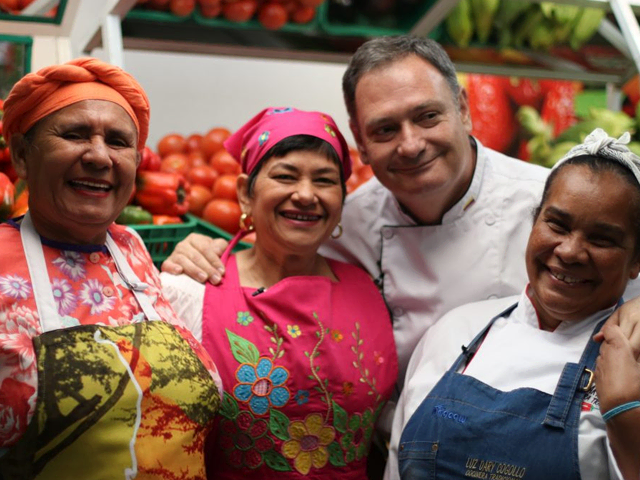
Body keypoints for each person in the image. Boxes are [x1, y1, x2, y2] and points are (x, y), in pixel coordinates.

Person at [0, 58, 222, 479]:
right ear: (22, 155)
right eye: (74, 134)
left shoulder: (134, 249)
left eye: (118, 141)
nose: (100, 156)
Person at [160, 107, 398, 479]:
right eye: (285, 176)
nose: (305, 195)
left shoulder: (369, 288)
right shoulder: (191, 290)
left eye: (324, 180)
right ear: (244, 193)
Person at [390, 129, 640, 480]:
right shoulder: (454, 332)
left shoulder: (632, 364)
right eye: (556, 224)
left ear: (635, 262)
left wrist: (625, 412)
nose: (569, 251)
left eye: (601, 239)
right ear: (534, 221)